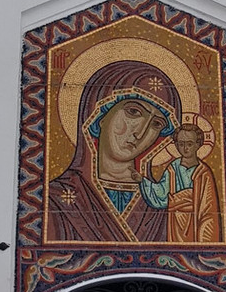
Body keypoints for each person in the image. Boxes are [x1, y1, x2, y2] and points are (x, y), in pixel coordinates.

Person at [47, 60, 178, 243]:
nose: (140, 133)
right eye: (133, 111)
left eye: (156, 124)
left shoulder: (165, 205)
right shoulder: (55, 198)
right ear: (99, 116)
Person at [140, 123, 222, 244]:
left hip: (195, 223)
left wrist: (206, 241)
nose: (185, 148)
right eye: (181, 144)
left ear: (198, 144)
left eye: (189, 144)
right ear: (176, 145)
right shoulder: (172, 169)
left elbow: (209, 210)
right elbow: (161, 194)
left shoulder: (203, 173)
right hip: (175, 224)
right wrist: (142, 181)